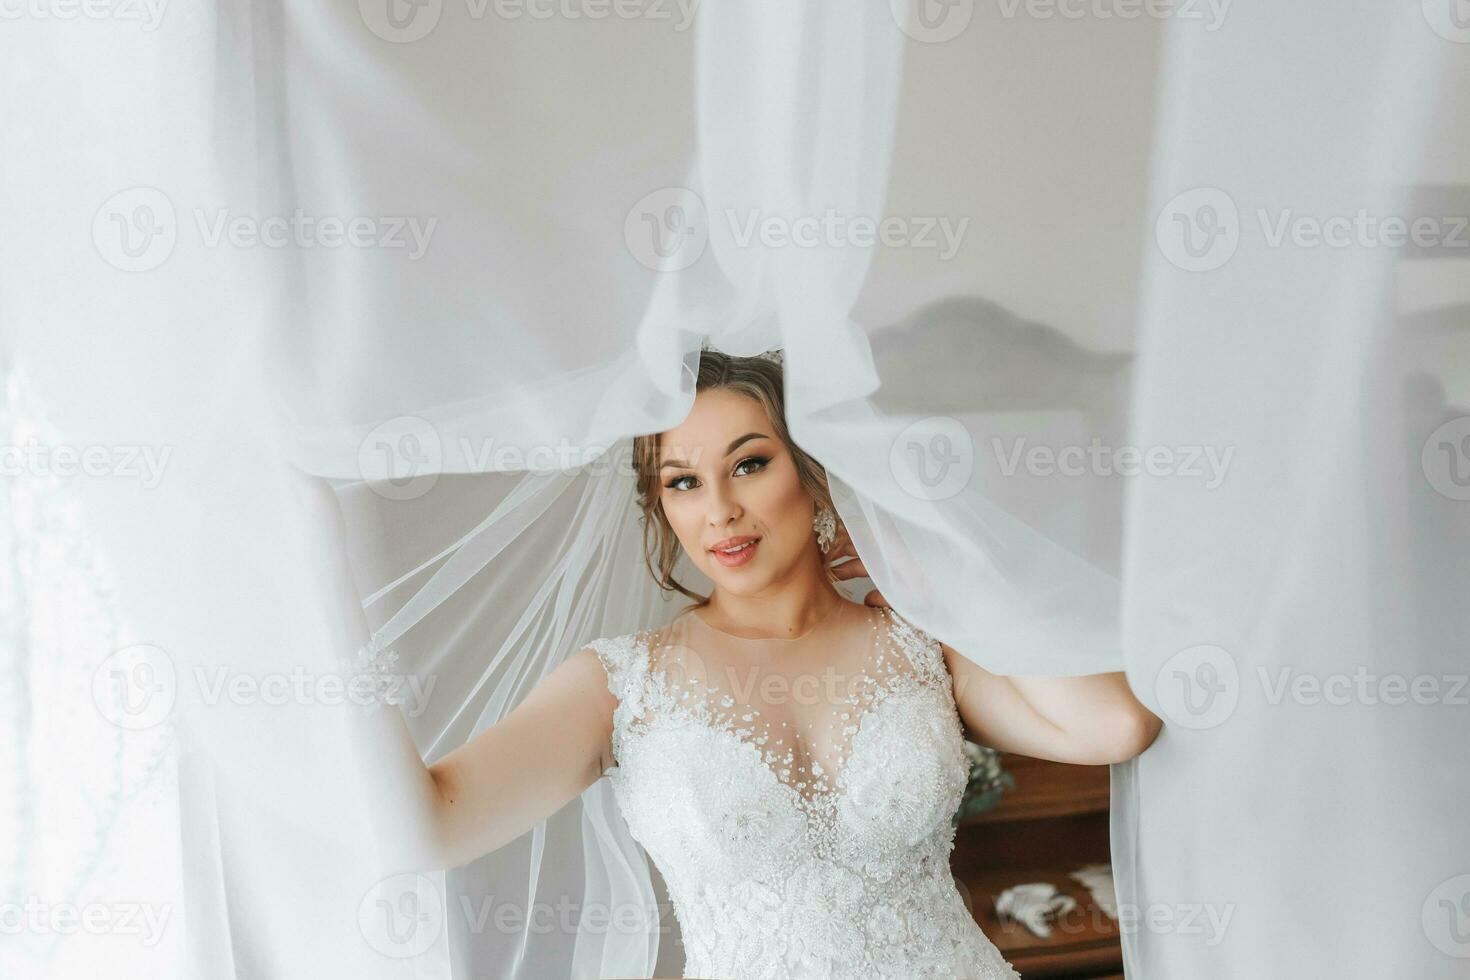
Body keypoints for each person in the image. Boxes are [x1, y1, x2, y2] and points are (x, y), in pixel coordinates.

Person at [311, 350, 1162, 979]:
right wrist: (322, 583)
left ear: (816, 472)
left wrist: (933, 562)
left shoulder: (919, 643)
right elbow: (427, 828)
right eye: (682, 482)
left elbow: (1114, 725)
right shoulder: (620, 685)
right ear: (660, 508)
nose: (719, 509)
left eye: (749, 463)